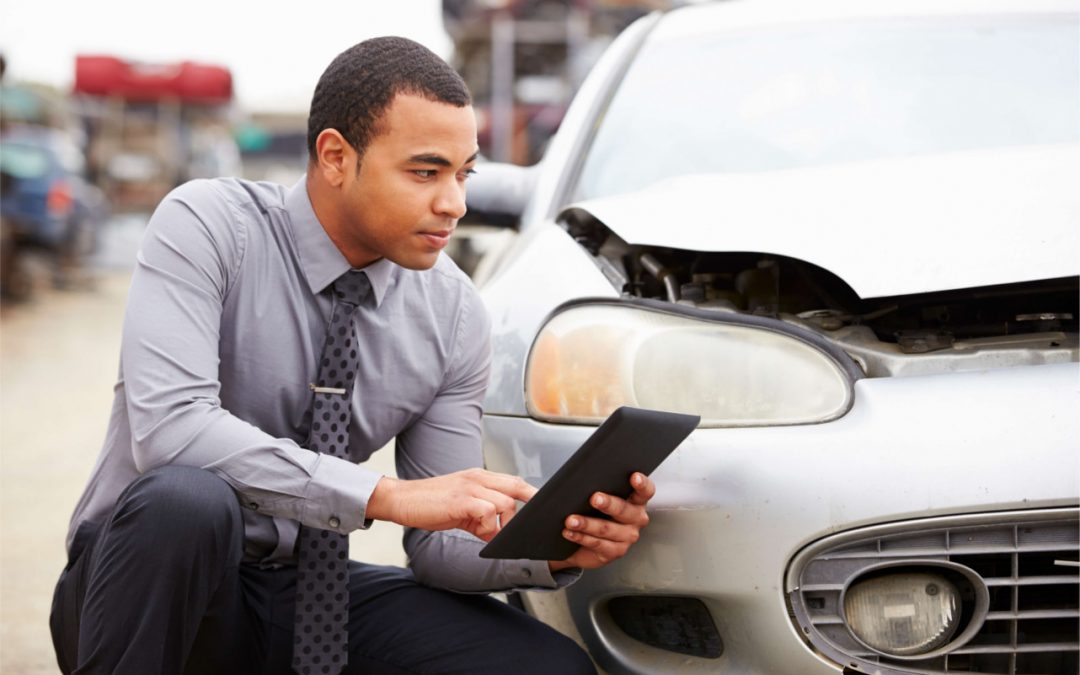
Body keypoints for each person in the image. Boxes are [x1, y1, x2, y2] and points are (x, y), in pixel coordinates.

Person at [49, 36, 655, 675]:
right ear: (336, 156)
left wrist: (555, 545)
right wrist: (383, 495)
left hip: (301, 593)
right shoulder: (208, 227)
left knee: (543, 667)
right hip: (144, 590)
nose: (454, 204)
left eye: (463, 173)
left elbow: (439, 548)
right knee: (186, 501)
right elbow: (171, 433)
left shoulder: (452, 313)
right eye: (425, 172)